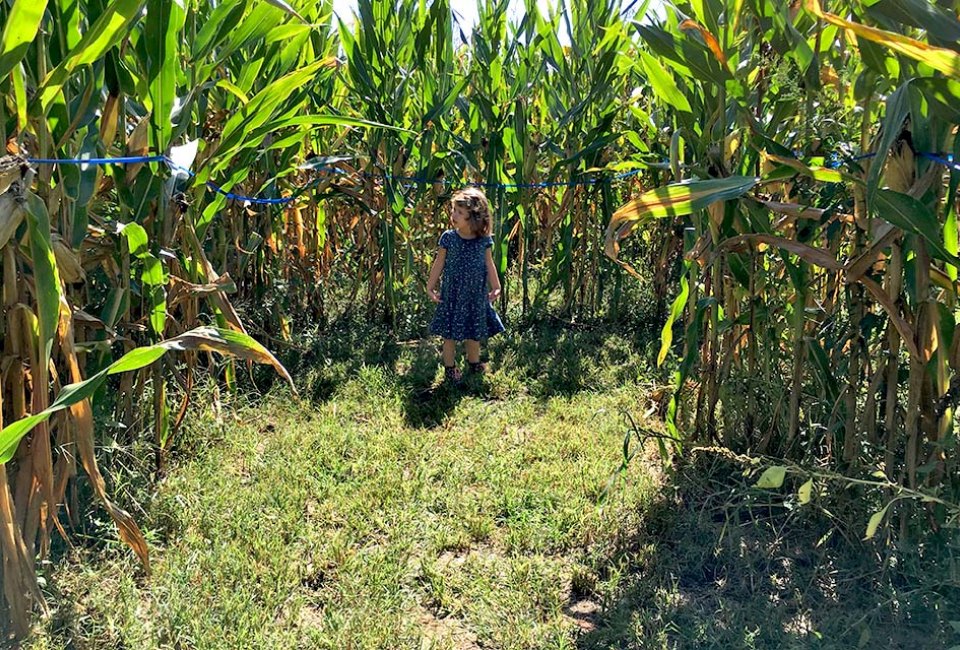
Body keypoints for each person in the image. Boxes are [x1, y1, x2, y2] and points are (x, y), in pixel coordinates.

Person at [426, 187, 505, 382]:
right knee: (449, 335)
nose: (454, 215)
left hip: (475, 295)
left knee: (474, 332)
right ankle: (450, 368)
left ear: (474, 217)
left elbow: (489, 263)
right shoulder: (449, 238)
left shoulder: (483, 241)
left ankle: (474, 363)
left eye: (460, 212)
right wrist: (430, 286)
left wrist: (496, 286)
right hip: (452, 294)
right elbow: (439, 263)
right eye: (454, 210)